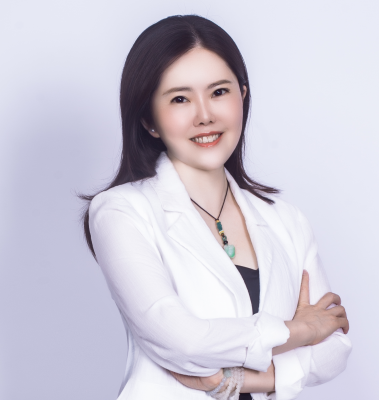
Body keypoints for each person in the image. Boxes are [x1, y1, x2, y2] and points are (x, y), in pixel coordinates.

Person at [80, 15, 351, 400]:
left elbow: (335, 348)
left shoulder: (285, 219)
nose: (204, 115)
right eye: (180, 99)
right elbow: (182, 341)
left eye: (219, 92)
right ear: (149, 120)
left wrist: (240, 381)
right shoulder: (121, 212)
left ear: (242, 95)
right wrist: (300, 330)